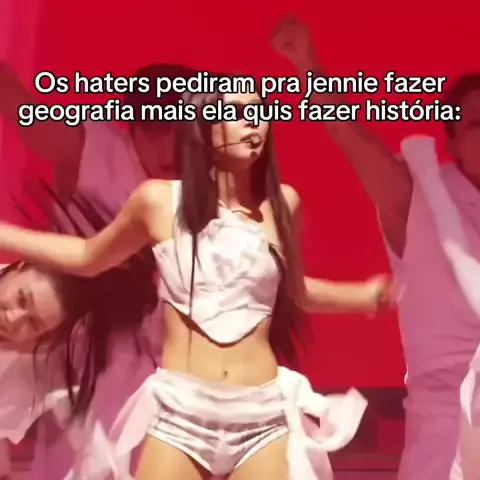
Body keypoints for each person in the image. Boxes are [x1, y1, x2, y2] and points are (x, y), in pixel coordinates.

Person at [0, 80, 396, 479]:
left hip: (260, 408)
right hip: (181, 409)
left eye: (260, 115)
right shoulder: (157, 201)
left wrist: (362, 297)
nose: (253, 124)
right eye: (236, 114)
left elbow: (294, 291)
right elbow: (87, 257)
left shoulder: (283, 204)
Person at [269, 16, 480, 480]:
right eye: (476, 124)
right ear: (454, 141)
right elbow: (350, 137)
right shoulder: (419, 201)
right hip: (446, 440)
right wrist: (309, 67)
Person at [0, 60, 196, 478]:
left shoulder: (200, 190)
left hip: (150, 352)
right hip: (64, 335)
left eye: (182, 135)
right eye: (155, 132)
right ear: (134, 125)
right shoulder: (97, 149)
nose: (169, 151)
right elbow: (20, 107)